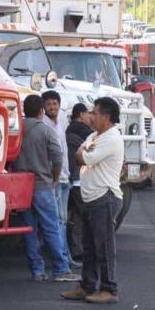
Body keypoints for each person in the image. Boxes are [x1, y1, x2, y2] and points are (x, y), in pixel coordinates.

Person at [62, 97, 124, 304]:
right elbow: (81, 150)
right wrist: (84, 151)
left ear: (106, 117)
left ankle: (109, 289)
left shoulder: (111, 138)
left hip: (104, 198)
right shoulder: (96, 135)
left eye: (95, 113)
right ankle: (87, 285)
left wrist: (84, 152)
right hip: (91, 198)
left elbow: (84, 157)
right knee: (89, 245)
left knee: (104, 247)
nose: (91, 116)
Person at [14, 95, 80, 282]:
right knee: (52, 227)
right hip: (43, 185)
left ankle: (37, 270)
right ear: (41, 111)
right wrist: (56, 177)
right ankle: (61, 269)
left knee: (30, 230)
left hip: (21, 187)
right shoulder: (46, 131)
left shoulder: (16, 130)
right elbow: (58, 157)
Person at [41, 91, 74, 267]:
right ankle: (62, 261)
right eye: (49, 105)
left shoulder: (62, 120)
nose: (52, 107)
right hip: (53, 179)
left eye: (55, 104)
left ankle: (65, 256)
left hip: (64, 177)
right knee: (57, 221)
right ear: (44, 107)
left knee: (63, 221)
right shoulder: (44, 125)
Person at [65, 103, 94, 260]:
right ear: (81, 115)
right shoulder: (85, 133)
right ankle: (82, 249)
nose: (91, 117)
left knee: (76, 215)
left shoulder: (69, 130)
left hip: (72, 178)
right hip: (79, 180)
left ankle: (76, 248)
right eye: (89, 113)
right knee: (85, 216)